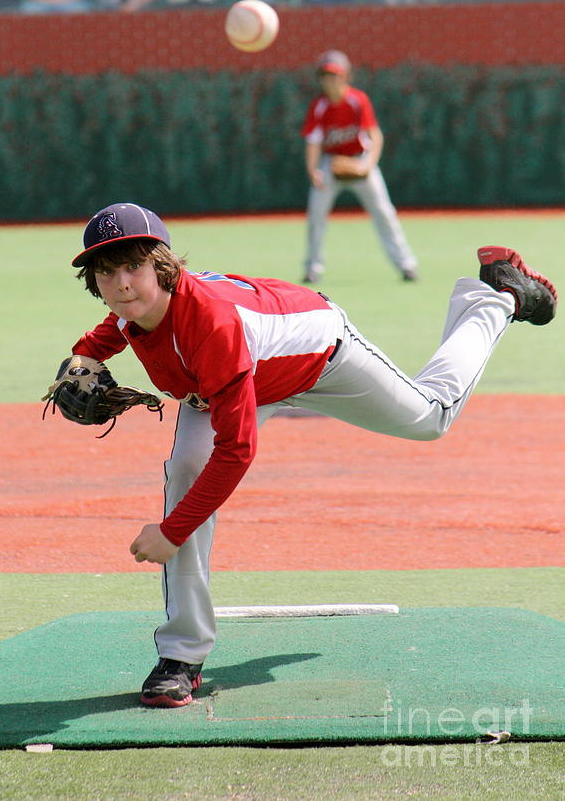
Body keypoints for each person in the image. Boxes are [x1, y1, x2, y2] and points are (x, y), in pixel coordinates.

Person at [62, 201, 556, 708]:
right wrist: (81, 356)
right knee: (185, 472)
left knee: (431, 416)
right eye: (106, 271)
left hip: (320, 356)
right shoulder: (132, 313)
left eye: (134, 266)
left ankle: (494, 297)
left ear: (162, 266)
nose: (122, 283)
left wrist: (171, 532)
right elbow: (106, 333)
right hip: (235, 379)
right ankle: (180, 657)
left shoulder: (208, 322)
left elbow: (236, 451)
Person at [301, 49, 418, 284]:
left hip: (360, 159)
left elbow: (375, 136)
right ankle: (312, 269)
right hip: (330, 163)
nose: (330, 80)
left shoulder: (357, 100)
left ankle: (406, 265)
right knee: (316, 215)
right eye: (325, 76)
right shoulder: (320, 106)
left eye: (334, 75)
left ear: (346, 77)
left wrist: (367, 165)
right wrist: (313, 171)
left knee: (385, 213)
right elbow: (313, 142)